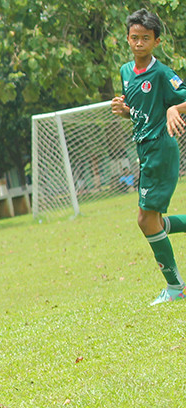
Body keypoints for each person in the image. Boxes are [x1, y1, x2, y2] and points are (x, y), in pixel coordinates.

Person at [111, 9, 186, 305]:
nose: (139, 43)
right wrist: (124, 110)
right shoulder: (126, 71)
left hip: (161, 148)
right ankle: (176, 287)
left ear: (156, 41)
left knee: (145, 220)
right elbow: (140, 111)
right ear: (128, 39)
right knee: (152, 221)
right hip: (143, 149)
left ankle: (176, 287)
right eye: (134, 37)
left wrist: (174, 109)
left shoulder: (163, 73)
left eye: (146, 38)